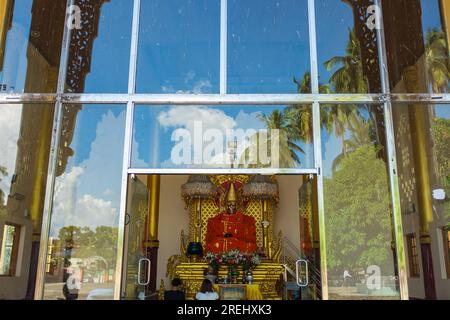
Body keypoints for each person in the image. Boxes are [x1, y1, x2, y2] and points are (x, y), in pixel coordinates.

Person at [205, 183, 257, 254]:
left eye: (233, 205)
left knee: (251, 247)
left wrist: (234, 241)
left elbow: (251, 242)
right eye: (229, 205)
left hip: (239, 249)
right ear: (225, 205)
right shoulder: (215, 220)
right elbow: (210, 241)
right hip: (221, 249)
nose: (231, 207)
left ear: (238, 205)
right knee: (214, 245)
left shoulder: (247, 220)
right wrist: (225, 239)